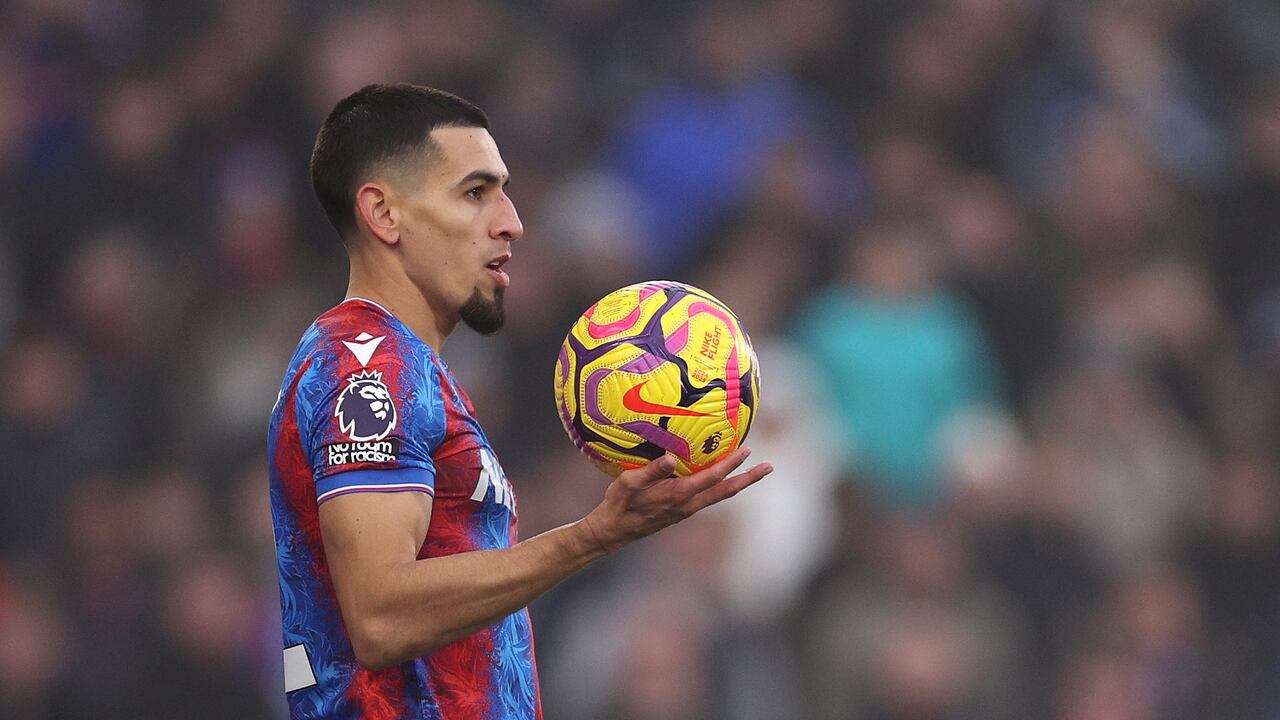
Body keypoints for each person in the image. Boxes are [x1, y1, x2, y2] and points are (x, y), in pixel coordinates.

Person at [267, 83, 773, 720]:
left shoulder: (411, 370)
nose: (511, 221)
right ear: (384, 213)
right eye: (475, 193)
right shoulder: (366, 368)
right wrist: (592, 538)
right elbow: (382, 616)